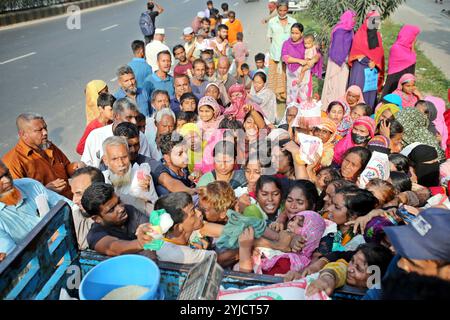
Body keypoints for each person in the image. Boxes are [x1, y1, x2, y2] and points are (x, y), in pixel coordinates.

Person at [2, 113, 84, 199]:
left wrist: (75, 168)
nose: (45, 132)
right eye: (39, 130)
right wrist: (45, 190)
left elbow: (66, 168)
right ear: (23, 134)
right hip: (50, 210)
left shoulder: (47, 146)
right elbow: (18, 199)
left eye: (45, 128)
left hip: (71, 200)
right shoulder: (13, 162)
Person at [0, 160, 72, 257]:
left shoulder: (30, 185)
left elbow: (69, 207)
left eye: (7, 174)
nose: (7, 181)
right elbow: (14, 260)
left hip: (69, 242)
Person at [81, 182, 154, 257]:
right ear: (97, 218)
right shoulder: (95, 235)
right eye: (111, 209)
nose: (121, 209)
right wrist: (140, 243)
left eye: (119, 202)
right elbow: (111, 247)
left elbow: (151, 228)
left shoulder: (129, 210)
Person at [81, 98, 151, 168]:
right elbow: (86, 165)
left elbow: (145, 166)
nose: (134, 122)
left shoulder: (140, 137)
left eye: (136, 118)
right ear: (116, 116)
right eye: (129, 117)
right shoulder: (95, 136)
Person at [101, 136, 158, 213]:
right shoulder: (101, 179)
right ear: (105, 160)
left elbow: (155, 209)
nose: (121, 163)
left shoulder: (141, 177)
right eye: (114, 159)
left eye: (124, 157)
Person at [348, 10, 385, 109]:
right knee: (358, 92)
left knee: (369, 92)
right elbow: (356, 52)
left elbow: (379, 53)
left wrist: (375, 63)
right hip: (360, 68)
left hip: (372, 70)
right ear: (367, 20)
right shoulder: (360, 34)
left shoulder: (377, 36)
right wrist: (368, 61)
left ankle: (367, 113)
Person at [321, 10, 357, 109]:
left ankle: (338, 107)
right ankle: (330, 106)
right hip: (336, 62)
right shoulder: (340, 30)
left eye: (355, 19)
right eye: (353, 18)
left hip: (345, 63)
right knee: (333, 85)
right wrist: (344, 59)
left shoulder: (350, 30)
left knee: (341, 85)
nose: (355, 21)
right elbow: (336, 49)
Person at [282, 23, 321, 104]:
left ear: (301, 33)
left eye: (296, 33)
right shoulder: (287, 43)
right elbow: (285, 58)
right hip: (291, 73)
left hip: (304, 73)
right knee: (291, 95)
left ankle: (304, 114)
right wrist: (299, 61)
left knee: (304, 95)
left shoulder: (306, 42)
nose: (294, 35)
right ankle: (291, 114)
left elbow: (317, 54)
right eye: (292, 33)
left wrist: (312, 61)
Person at [69, 166, 105, 250]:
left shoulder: (122, 212)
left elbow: (141, 243)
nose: (74, 200)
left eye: (79, 193)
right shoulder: (75, 216)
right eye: (74, 194)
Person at [267, 2, 296, 102]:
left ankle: (286, 94)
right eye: (280, 10)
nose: (282, 13)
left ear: (287, 10)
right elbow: (270, 38)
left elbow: (295, 37)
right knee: (275, 75)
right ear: (277, 9)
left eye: (284, 10)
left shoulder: (293, 21)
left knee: (287, 74)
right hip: (275, 53)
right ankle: (275, 95)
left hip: (289, 54)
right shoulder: (272, 21)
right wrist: (273, 50)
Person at [382, 25, 421, 97]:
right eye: (414, 36)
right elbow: (411, 59)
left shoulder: (408, 49)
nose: (415, 39)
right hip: (395, 79)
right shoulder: (396, 48)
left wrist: (412, 47)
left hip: (405, 81)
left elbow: (412, 59)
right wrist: (412, 48)